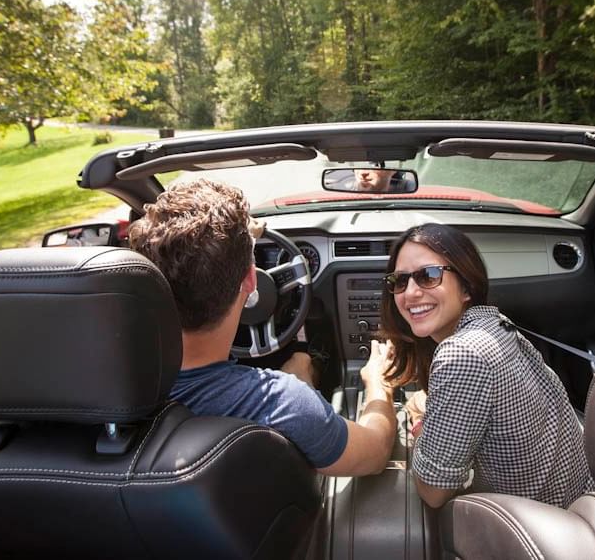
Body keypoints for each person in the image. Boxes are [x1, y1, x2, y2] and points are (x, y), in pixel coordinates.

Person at [129, 178, 396, 476]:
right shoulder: (285, 403)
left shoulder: (101, 378)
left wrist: (244, 244)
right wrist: (378, 384)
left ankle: (303, 362)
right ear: (252, 280)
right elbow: (376, 452)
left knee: (299, 365)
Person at [380, 223, 593, 508]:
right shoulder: (496, 324)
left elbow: (432, 492)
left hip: (534, 527)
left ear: (466, 286)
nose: (410, 293)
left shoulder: (460, 354)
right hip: (578, 498)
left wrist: (420, 431)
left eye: (428, 276)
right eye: (400, 281)